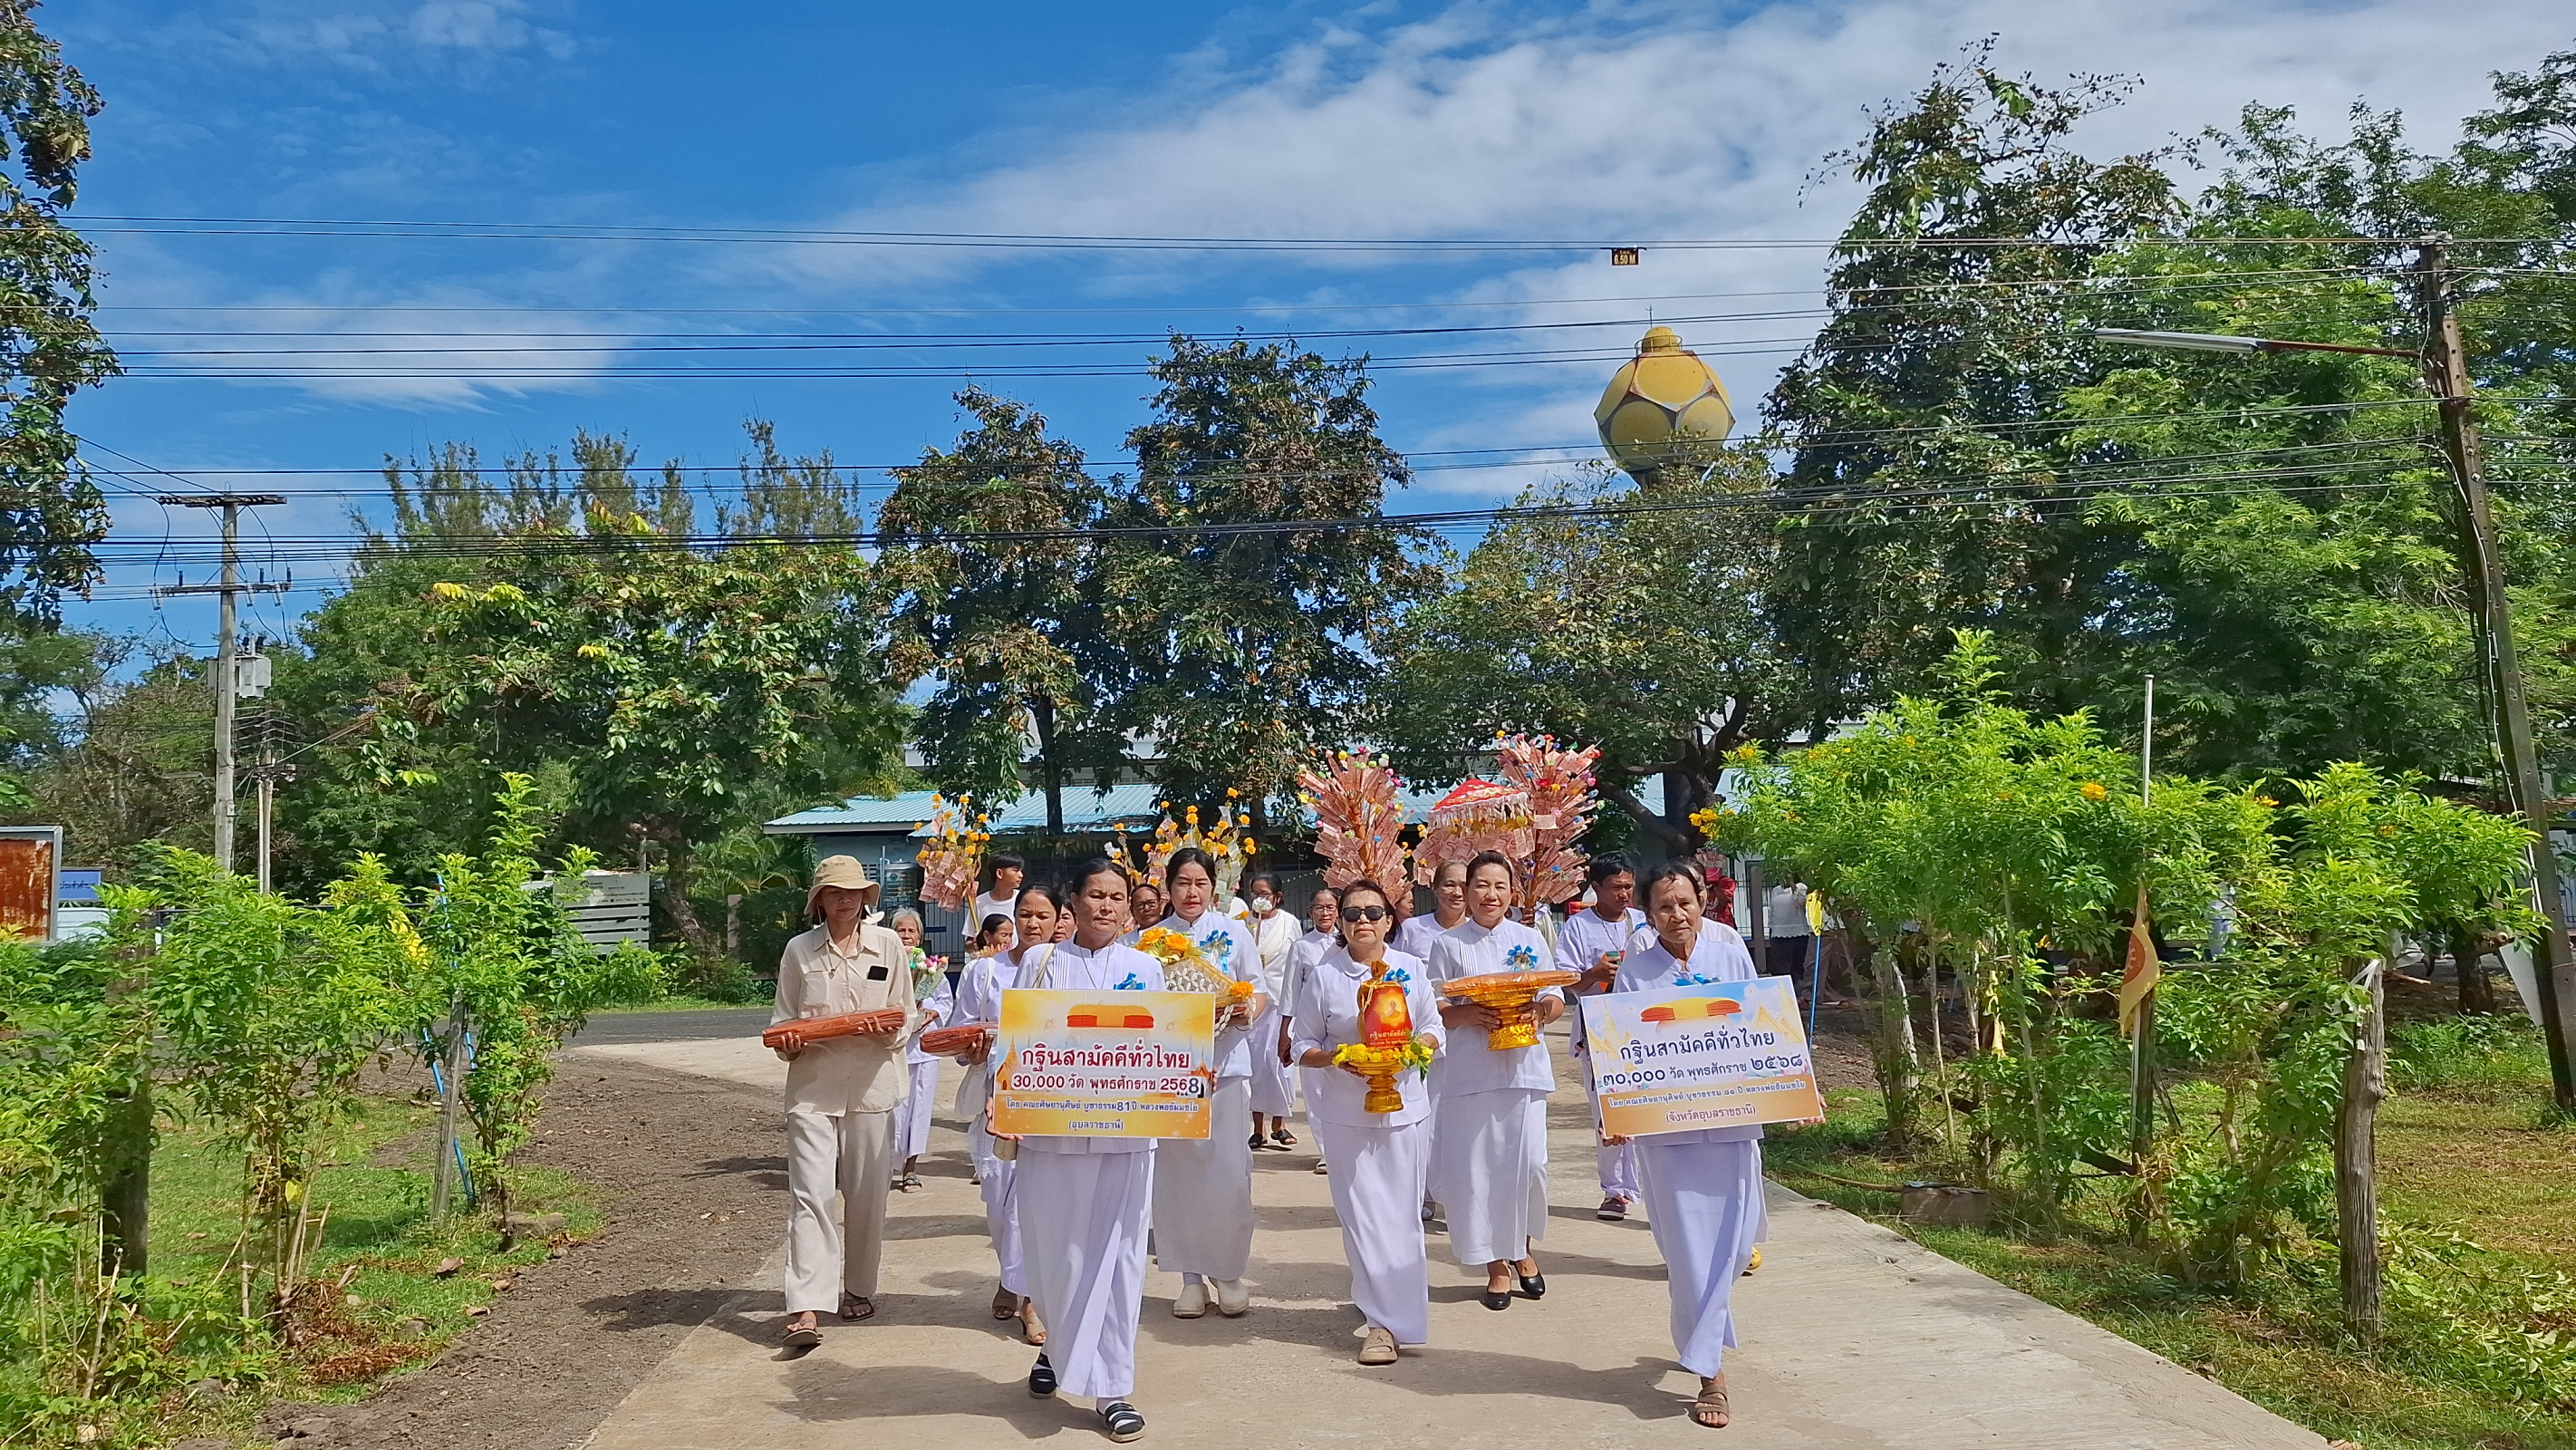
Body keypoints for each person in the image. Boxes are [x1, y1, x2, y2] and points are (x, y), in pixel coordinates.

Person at [994, 860, 1163, 1444]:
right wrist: (1004, 1104)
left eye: (1118, 896)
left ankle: (1113, 1388)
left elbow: (1170, 1044)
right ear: (1075, 901)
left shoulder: (1148, 967)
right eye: (1096, 895)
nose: (1108, 906)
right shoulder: (1041, 966)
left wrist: (1191, 1075)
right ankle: (1060, 1349)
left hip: (1126, 1138)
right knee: (1055, 1253)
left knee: (1120, 1260)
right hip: (1051, 1135)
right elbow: (1011, 1042)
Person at [1605, 860, 1768, 1430]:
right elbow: (1619, 1041)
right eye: (1663, 907)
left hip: (1732, 1121)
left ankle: (1704, 1343)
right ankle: (1710, 1374)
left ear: (1703, 900)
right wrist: (1613, 1109)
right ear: (1647, 914)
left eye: (1685, 903)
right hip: (1666, 1128)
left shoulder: (1729, 951)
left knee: (1733, 1243)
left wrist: (1799, 1093)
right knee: (1689, 1252)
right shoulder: (1636, 965)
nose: (1677, 916)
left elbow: (1765, 1026)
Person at [1289, 876, 1443, 1366]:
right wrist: (1338, 1057)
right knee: (1361, 1218)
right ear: (1340, 920)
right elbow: (1302, 1044)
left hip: (1405, 1111)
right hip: (1344, 1115)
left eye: (1372, 913)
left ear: (1389, 920)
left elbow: (1433, 1027)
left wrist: (1415, 1052)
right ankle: (1380, 1322)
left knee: (1401, 1216)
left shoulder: (1412, 970)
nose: (1362, 921)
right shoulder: (1325, 976)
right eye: (1352, 913)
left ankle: (1395, 1318)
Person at [769, 856, 919, 1348]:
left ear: (866, 898)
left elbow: (907, 1015)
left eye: (853, 892)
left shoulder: (889, 945)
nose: (845, 900)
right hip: (813, 1089)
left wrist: (885, 1033)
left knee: (867, 1195)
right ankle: (807, 1305)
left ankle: (858, 1286)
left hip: (873, 1086)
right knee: (810, 1195)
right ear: (819, 900)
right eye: (834, 892)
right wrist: (795, 1040)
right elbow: (785, 1023)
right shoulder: (799, 951)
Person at [1424, 852, 1562, 1310]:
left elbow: (1554, 996)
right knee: (1478, 1172)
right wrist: (1467, 1013)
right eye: (1481, 885)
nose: (1491, 895)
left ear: (1512, 892)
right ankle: (1495, 1266)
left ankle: (1522, 1248)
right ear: (1465, 892)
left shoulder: (1529, 938)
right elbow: (1435, 1006)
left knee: (1529, 1167)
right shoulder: (1448, 944)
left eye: (1500, 886)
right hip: (1471, 1071)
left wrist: (1539, 1012)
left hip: (1524, 1068)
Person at [1151, 847, 1267, 1319]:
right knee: (1177, 1176)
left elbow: (1258, 990)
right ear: (1169, 887)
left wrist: (1244, 1009)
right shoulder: (1149, 941)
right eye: (1182, 883)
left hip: (1226, 1068)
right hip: (1172, 1075)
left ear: (1213, 886)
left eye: (1200, 882)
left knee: (1227, 1173)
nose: (1191, 892)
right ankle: (1190, 1278)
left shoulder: (1234, 933)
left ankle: (1229, 1272)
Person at [952, 887, 1061, 1347]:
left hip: (1052, 1102)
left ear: (1060, 919)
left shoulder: (1069, 967)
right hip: (995, 1101)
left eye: (1043, 915)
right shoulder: (984, 971)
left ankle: (1031, 1297)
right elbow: (961, 1036)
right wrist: (972, 1051)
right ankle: (1010, 1276)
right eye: (1025, 914)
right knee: (999, 1203)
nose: (1033, 923)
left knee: (1033, 1204)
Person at [1561, 856, 1650, 1221]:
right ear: (1595, 888)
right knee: (1608, 1111)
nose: (1624, 894)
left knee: (1646, 1106)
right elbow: (1566, 981)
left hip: (1642, 1029)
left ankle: (1647, 1183)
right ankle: (1614, 1190)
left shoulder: (1644, 923)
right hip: (1599, 1030)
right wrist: (1594, 972)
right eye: (1616, 887)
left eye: (1628, 886)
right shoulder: (1578, 927)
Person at [888, 909, 954, 1193]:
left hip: (924, 1050)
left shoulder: (930, 967)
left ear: (920, 936)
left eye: (911, 931)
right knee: (892, 1110)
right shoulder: (884, 965)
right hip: (893, 1049)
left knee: (920, 1109)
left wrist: (930, 1013)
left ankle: (910, 1169)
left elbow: (945, 1002)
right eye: (901, 930)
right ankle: (883, 1167)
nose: (906, 936)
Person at [1239, 872, 1302, 1152]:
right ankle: (1258, 1128)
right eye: (1255, 893)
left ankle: (1280, 1123)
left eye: (1265, 894)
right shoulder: (1242, 925)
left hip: (1280, 1002)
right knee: (1255, 1065)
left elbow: (1297, 963)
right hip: (1251, 1004)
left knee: (1277, 1065)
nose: (1259, 899)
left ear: (1277, 897)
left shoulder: (1290, 924)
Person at [1281, 886, 1342, 1176]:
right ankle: (1326, 1151)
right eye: (1319, 907)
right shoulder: (1302, 947)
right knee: (1315, 1090)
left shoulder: (1347, 943)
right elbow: (1290, 992)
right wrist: (1285, 1032)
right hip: (1310, 1025)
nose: (1325, 913)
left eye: (1331, 907)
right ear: (1310, 912)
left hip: (1342, 1022)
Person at [1393, 859, 1469, 959]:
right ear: (1435, 888)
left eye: (1464, 886)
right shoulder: (1411, 929)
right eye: (1450, 885)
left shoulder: (1480, 933)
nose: (1457, 893)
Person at [973, 853, 1027, 935]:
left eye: (1021, 871)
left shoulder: (1024, 899)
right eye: (1016, 870)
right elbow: (970, 939)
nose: (1021, 875)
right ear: (999, 873)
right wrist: (974, 945)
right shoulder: (979, 902)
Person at [1120, 879, 1166, 945]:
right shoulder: (1124, 943)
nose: (1146, 908)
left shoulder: (1175, 935)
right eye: (1140, 905)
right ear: (1132, 911)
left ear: (1160, 905)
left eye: (1151, 903)